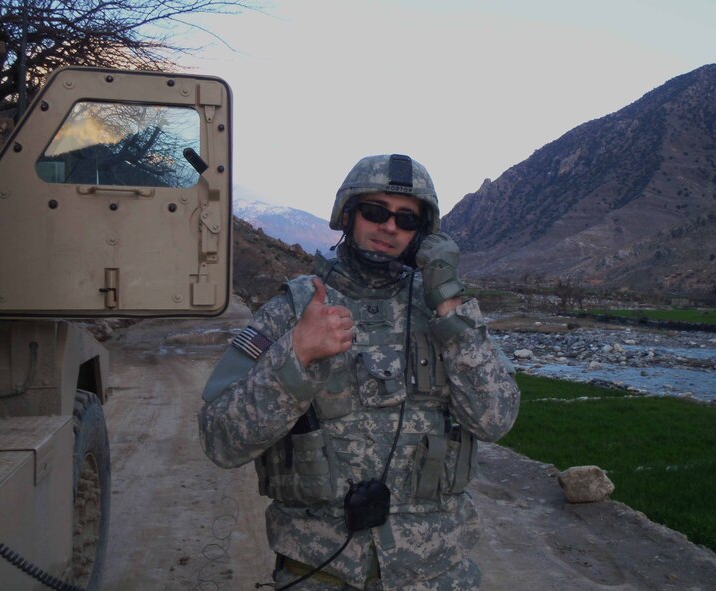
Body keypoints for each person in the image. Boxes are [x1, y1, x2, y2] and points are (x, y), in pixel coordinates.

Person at [198, 153, 520, 591]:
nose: (389, 227)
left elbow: (496, 419)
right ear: (348, 215)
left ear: (422, 235)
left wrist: (447, 300)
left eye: (406, 220)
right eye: (375, 212)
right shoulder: (295, 309)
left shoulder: (448, 317)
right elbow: (219, 439)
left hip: (438, 573)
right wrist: (295, 357)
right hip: (319, 572)